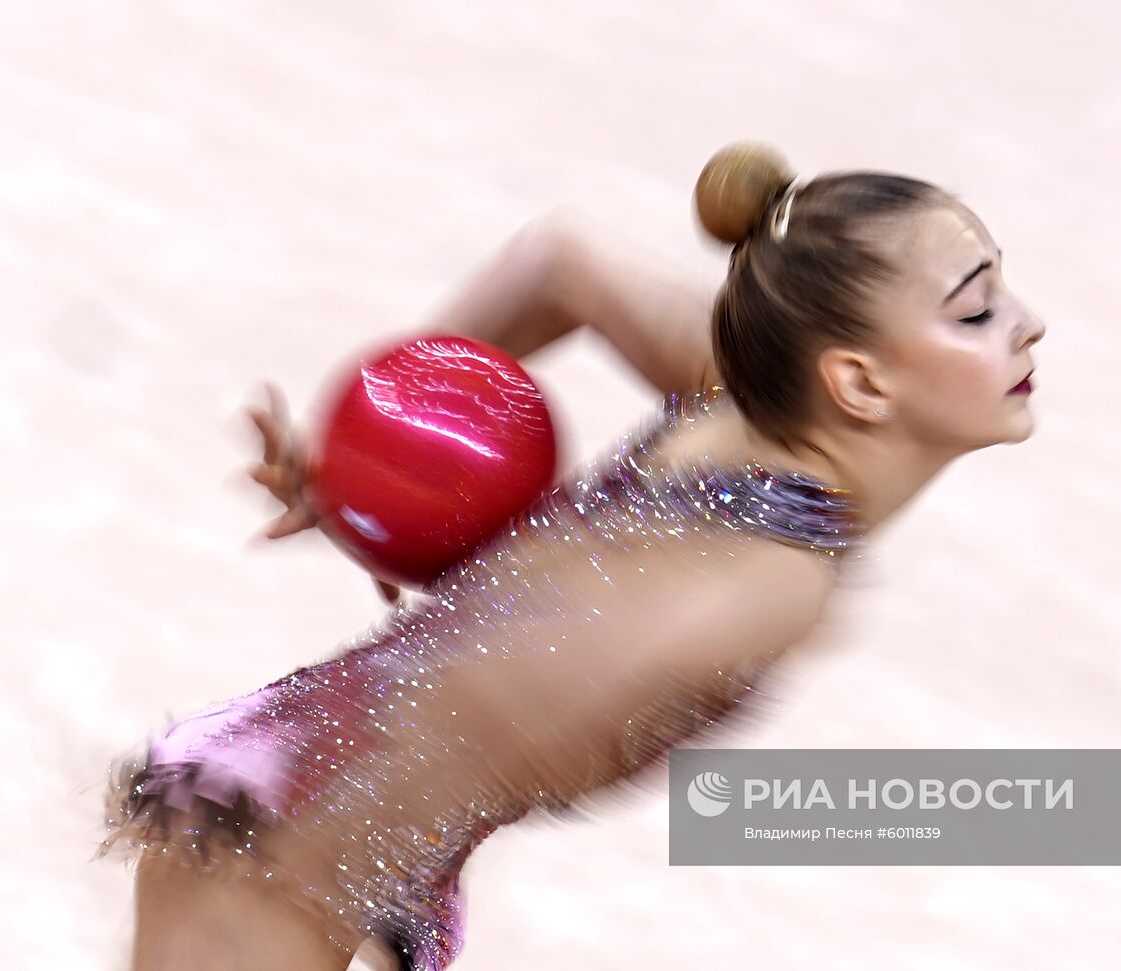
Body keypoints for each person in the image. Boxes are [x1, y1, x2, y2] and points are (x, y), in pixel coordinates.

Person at [103, 142, 1046, 970]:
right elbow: (486, 711)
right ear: (860, 382)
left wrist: (377, 455)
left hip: (325, 825)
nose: (1027, 321)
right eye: (976, 311)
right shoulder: (778, 578)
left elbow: (562, 262)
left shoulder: (751, 393)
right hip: (286, 868)